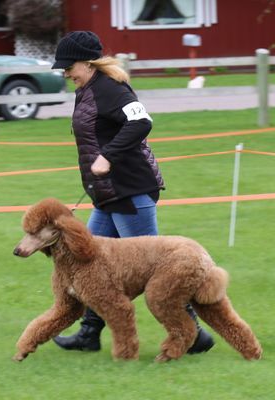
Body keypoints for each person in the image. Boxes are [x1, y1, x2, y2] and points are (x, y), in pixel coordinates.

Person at [51, 31, 214, 354]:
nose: (65, 72)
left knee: (157, 267)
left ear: (87, 62)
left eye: (68, 66)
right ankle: (89, 334)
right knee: (90, 265)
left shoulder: (110, 88)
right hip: (108, 194)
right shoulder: (87, 88)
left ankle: (195, 333)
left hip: (129, 192)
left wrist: (108, 156)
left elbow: (141, 123)